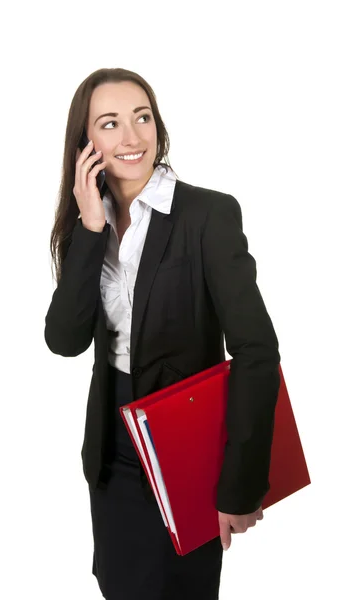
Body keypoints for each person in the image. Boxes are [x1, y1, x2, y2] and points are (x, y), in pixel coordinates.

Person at [44, 67, 281, 600]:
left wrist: (242, 482)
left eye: (142, 117)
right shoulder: (88, 222)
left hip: (185, 445)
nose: (131, 137)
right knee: (123, 586)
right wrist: (87, 229)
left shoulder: (207, 215)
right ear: (86, 143)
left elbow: (256, 350)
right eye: (109, 123)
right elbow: (64, 339)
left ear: (158, 125)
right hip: (113, 447)